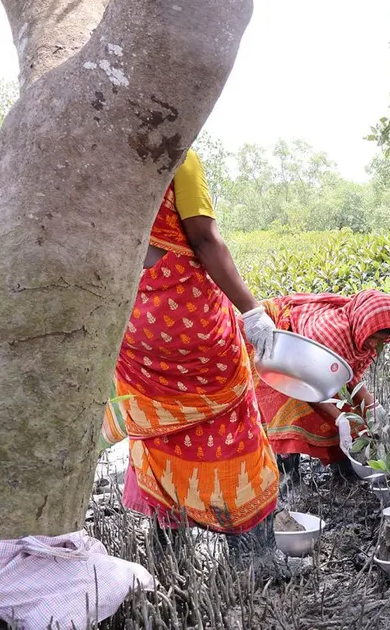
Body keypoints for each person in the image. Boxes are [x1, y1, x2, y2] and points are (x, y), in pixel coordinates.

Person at [105, 149, 281, 567]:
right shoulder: (177, 155)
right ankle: (254, 557)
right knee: (236, 423)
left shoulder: (98, 157)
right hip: (189, 321)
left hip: (131, 324)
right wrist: (252, 312)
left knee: (160, 433)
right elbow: (203, 238)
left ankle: (168, 558)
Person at [254, 290, 390, 483]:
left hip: (305, 362)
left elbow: (348, 382)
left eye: (380, 340)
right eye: (373, 337)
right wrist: (340, 419)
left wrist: (375, 408)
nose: (373, 345)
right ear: (363, 324)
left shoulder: (362, 339)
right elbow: (307, 386)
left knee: (350, 410)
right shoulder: (331, 335)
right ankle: (287, 473)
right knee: (290, 408)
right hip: (273, 341)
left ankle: (344, 468)